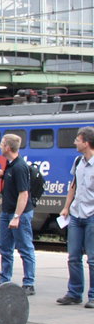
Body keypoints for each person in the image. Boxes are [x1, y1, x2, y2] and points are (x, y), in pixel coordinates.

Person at [0, 133, 35, 295]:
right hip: (6, 212)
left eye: (2, 144)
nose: (0, 146)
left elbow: (24, 194)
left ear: (8, 147)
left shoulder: (20, 167)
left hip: (18, 214)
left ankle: (29, 283)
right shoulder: (10, 165)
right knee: (4, 247)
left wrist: (16, 217)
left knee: (25, 247)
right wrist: (3, 174)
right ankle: (4, 280)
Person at [57, 126, 94, 306]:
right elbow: (73, 186)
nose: (74, 143)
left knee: (93, 259)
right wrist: (66, 207)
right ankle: (74, 293)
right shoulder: (78, 161)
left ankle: (93, 295)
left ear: (86, 143)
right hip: (76, 215)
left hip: (92, 215)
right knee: (73, 257)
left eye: (77, 140)